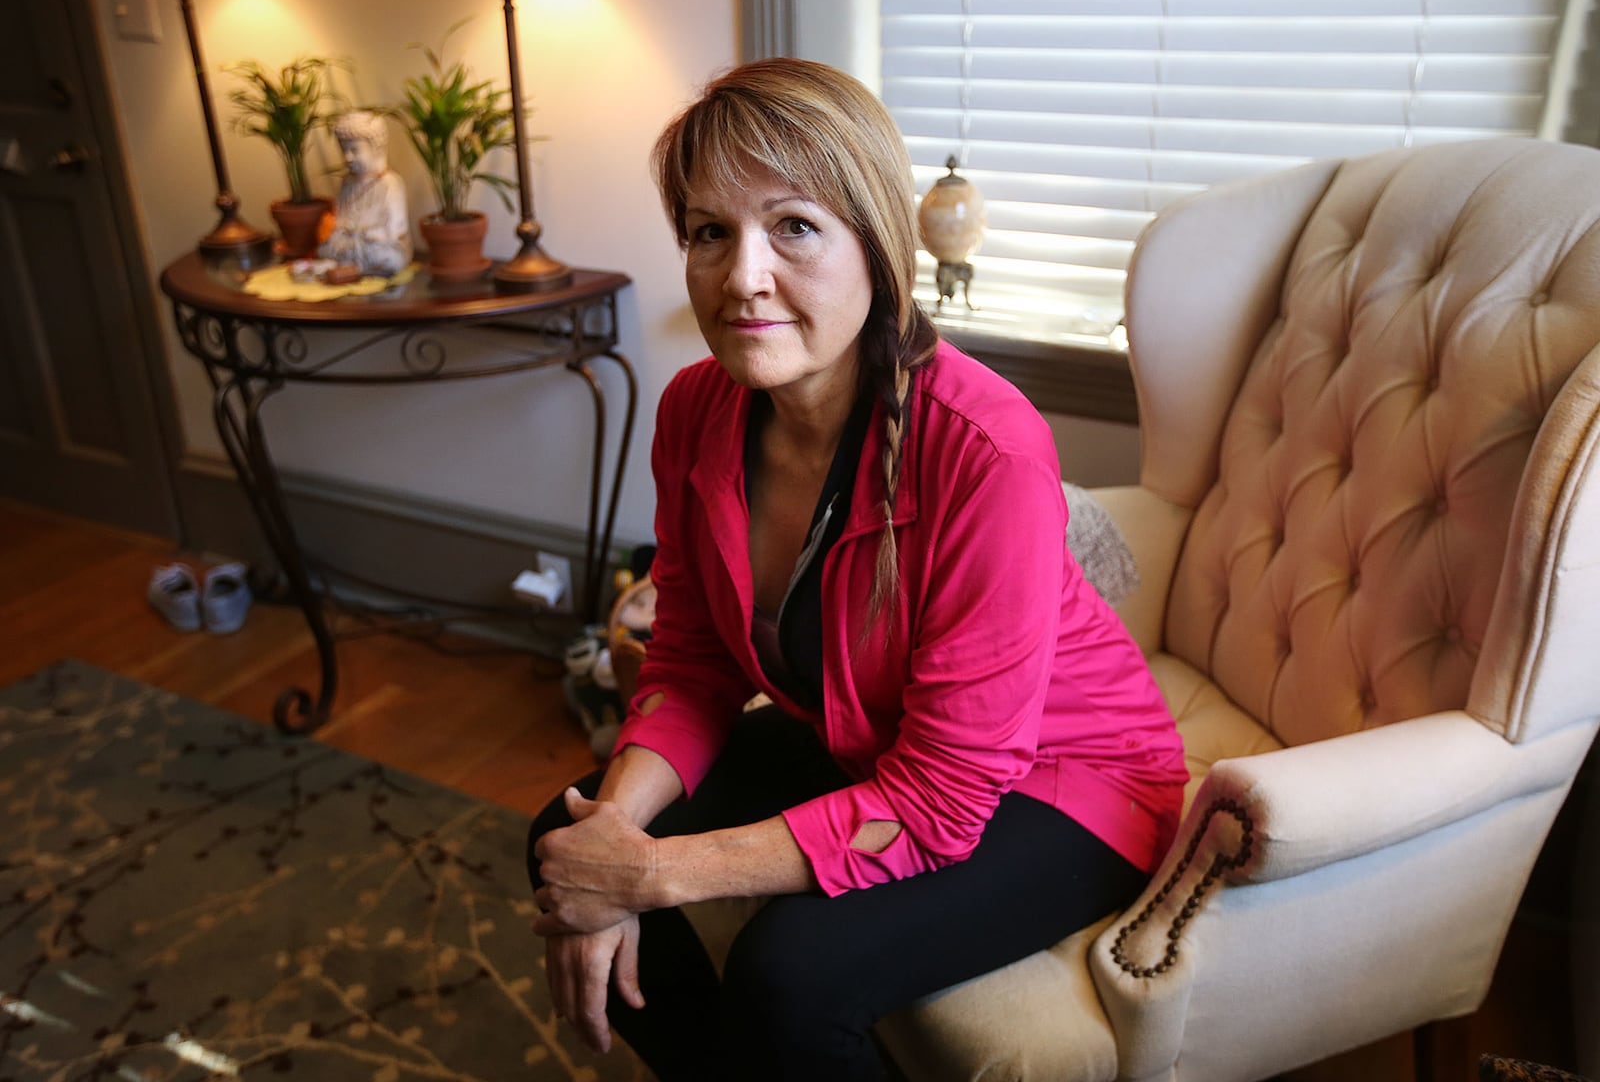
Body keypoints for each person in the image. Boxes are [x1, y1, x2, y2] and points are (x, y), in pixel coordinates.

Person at [526, 58, 1188, 1081]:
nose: (743, 275)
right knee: (561, 841)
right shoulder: (695, 410)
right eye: (710, 232)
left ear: (875, 246)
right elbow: (694, 661)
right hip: (868, 737)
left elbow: (943, 795)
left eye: (793, 225)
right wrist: (611, 841)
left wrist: (651, 872)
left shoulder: (985, 447)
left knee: (789, 973)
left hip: (1064, 786)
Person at [319, 110, 411, 276]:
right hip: (350, 244)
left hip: (376, 246)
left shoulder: (391, 182)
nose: (347, 157)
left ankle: (352, 266)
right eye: (344, 150)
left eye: (355, 150)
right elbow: (339, 222)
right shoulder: (347, 183)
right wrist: (340, 233)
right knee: (324, 249)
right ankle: (352, 265)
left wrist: (364, 234)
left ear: (375, 148)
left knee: (391, 258)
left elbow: (393, 230)